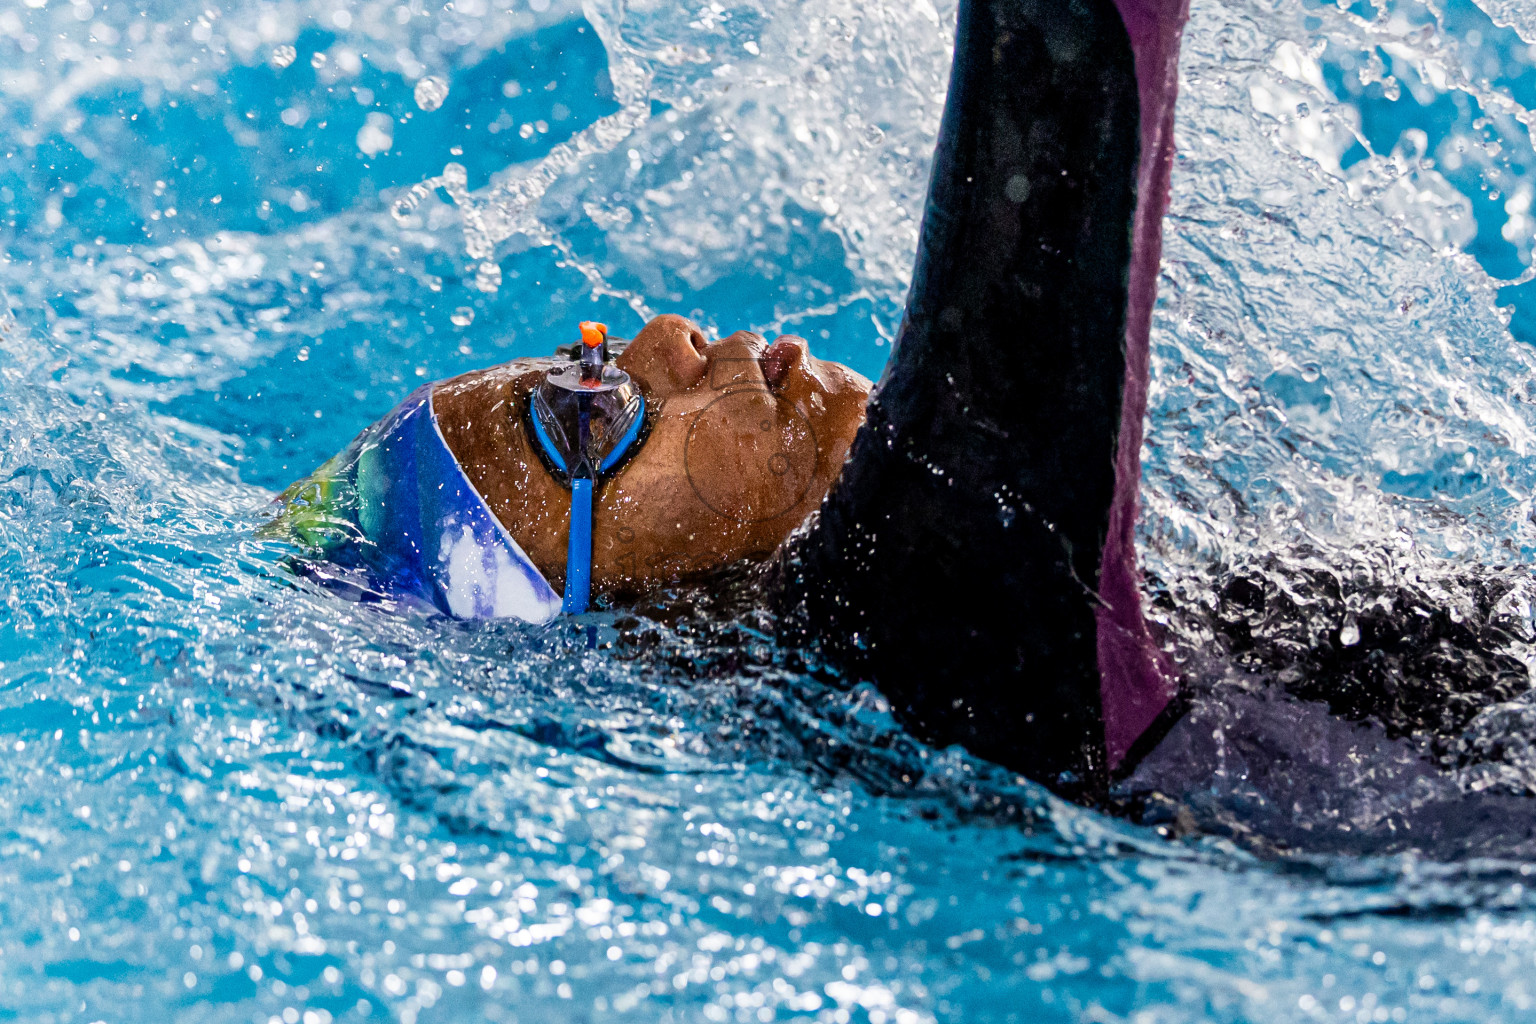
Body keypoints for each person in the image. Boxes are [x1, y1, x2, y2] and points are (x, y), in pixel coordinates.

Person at [273, 0, 1194, 804]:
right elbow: (1061, 54)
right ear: (631, 618)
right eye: (586, 415)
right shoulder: (923, 633)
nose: (670, 336)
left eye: (589, 358)